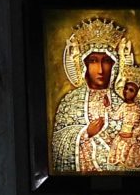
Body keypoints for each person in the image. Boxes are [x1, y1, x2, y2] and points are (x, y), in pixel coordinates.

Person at [50, 17, 129, 173]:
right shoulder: (70, 102)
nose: (100, 69)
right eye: (93, 61)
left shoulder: (123, 104)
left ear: (114, 65)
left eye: (106, 61)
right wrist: (85, 133)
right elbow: (57, 144)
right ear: (83, 64)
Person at [108, 64, 140, 171]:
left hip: (134, 139)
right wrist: (107, 106)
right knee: (117, 145)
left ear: (137, 93)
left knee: (127, 150)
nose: (126, 92)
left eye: (131, 90)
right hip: (122, 135)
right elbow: (115, 116)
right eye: (126, 88)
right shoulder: (123, 106)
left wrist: (133, 136)